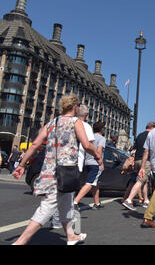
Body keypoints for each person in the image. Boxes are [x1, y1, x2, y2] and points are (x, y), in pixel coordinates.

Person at [12, 94, 99, 245]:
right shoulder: (76, 122)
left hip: (49, 170)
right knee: (47, 207)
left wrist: (21, 165)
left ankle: (71, 236)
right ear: (75, 106)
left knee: (66, 204)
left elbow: (35, 144)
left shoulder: (52, 122)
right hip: (64, 172)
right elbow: (86, 144)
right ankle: (20, 242)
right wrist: (97, 154)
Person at [122, 122, 155, 211]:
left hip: (137, 160)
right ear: (153, 128)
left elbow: (134, 149)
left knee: (144, 180)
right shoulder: (152, 135)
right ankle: (129, 200)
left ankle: (146, 200)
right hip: (145, 161)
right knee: (141, 180)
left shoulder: (139, 135)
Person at [74, 121, 106, 210]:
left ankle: (97, 203)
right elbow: (99, 151)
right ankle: (75, 201)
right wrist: (101, 163)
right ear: (102, 129)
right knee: (90, 183)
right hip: (95, 163)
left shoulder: (90, 137)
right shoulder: (102, 138)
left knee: (95, 183)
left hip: (87, 162)